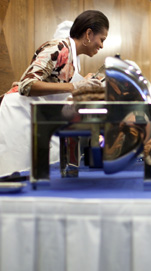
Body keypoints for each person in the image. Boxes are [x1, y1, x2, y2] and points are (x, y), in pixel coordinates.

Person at [0, 10, 109, 177]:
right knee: (14, 175)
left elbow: (57, 84)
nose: (102, 46)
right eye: (102, 39)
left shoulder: (74, 58)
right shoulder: (58, 47)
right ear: (88, 34)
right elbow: (27, 85)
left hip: (38, 116)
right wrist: (76, 86)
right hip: (19, 114)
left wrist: (84, 83)